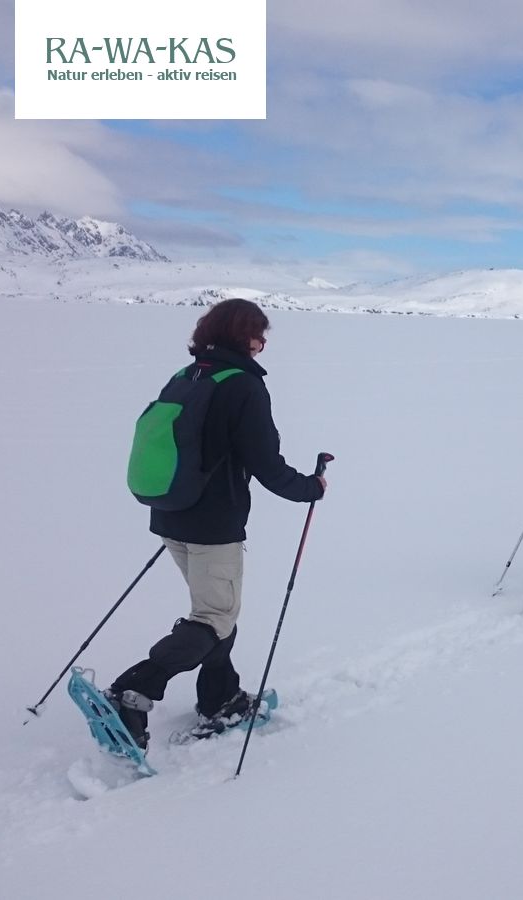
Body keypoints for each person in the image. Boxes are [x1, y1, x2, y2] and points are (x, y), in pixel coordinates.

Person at [106, 298, 326, 750]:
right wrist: (310, 488)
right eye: (259, 336)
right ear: (244, 337)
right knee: (214, 618)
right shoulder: (243, 385)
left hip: (170, 514)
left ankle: (221, 696)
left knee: (216, 611)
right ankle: (133, 691)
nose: (262, 344)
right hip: (213, 523)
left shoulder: (187, 375)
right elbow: (265, 463)